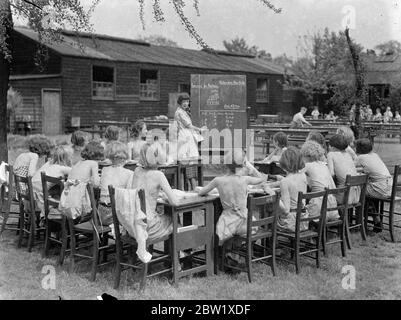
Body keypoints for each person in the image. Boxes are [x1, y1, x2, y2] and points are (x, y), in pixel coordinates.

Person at [198, 149, 269, 244]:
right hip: (246, 224)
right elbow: (261, 178)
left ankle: (226, 253)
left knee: (221, 230)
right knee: (249, 229)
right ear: (242, 165)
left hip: (228, 225)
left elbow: (201, 192)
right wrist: (249, 165)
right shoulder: (245, 180)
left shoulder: (218, 180)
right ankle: (238, 250)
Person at [129, 143, 179, 241]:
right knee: (175, 220)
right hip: (147, 228)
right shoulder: (158, 175)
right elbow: (175, 202)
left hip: (132, 226)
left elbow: (138, 193)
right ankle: (178, 253)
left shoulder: (137, 171)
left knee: (164, 218)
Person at [98, 141, 135, 226]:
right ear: (125, 156)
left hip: (100, 214)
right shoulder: (129, 173)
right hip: (114, 216)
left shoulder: (104, 170)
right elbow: (128, 197)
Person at [300, 141, 339, 221]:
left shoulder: (307, 166)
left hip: (318, 210)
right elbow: (333, 188)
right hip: (333, 208)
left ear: (305, 155)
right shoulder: (324, 165)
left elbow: (295, 178)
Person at [273, 147, 309, 232]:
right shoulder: (303, 176)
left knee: (269, 216)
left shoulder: (285, 182)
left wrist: (273, 195)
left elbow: (286, 210)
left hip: (291, 223)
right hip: (304, 220)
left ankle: (269, 243)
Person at [32, 145, 72, 217]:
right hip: (39, 200)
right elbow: (76, 172)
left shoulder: (49, 163)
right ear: (67, 158)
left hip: (30, 196)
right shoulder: (63, 168)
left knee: (57, 190)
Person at [174, 93, 204, 190]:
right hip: (184, 137)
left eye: (187, 101)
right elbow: (188, 126)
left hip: (188, 137)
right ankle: (186, 188)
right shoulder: (180, 112)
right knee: (186, 163)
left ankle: (192, 188)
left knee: (191, 163)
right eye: (184, 102)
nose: (186, 104)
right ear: (180, 102)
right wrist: (200, 130)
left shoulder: (184, 112)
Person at [327, 134, 360, 204]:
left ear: (332, 146)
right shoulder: (348, 154)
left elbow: (331, 174)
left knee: (322, 195)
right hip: (356, 196)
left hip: (344, 197)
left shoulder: (331, 154)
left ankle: (334, 214)